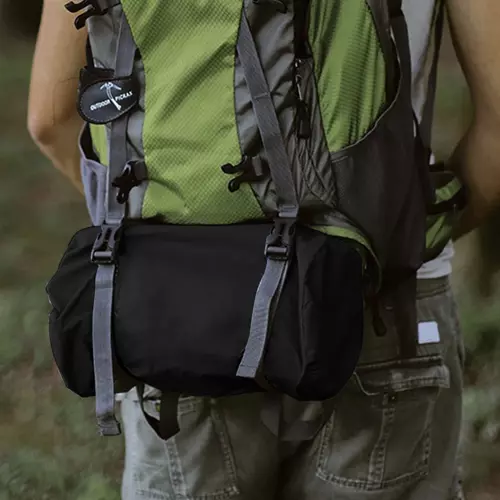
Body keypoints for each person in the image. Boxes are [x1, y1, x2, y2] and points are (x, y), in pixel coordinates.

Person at [28, 0, 500, 499]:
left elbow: (49, 120)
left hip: (171, 306)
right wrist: (405, 243)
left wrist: (156, 237)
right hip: (383, 302)